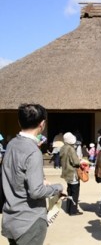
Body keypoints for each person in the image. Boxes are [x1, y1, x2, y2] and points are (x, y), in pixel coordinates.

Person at [1, 104, 63, 245]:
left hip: (11, 218)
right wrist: (57, 188)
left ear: (19, 121)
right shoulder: (33, 151)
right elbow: (36, 191)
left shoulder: (12, 144)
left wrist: (41, 180)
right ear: (42, 124)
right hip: (29, 221)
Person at [60, 132, 83, 216]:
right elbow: (76, 162)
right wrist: (80, 161)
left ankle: (68, 209)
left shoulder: (63, 148)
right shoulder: (71, 149)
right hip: (73, 173)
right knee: (75, 192)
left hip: (66, 172)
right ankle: (73, 211)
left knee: (69, 191)